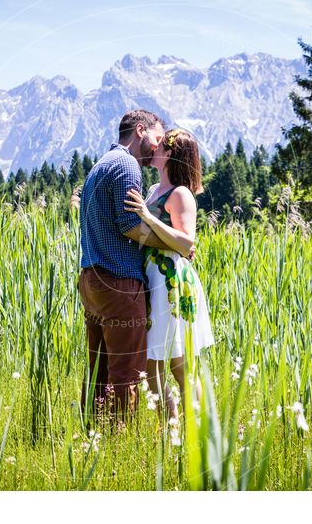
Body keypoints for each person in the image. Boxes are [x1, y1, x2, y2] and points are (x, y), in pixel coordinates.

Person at [78, 109, 170, 422]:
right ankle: (119, 447)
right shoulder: (127, 165)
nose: (158, 147)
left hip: (92, 279)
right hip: (118, 281)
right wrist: (173, 244)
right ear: (140, 130)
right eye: (157, 139)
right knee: (126, 373)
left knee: (98, 370)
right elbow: (131, 225)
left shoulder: (101, 164)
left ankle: (92, 435)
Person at [124, 129, 214, 419]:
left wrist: (148, 216)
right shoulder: (153, 191)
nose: (154, 146)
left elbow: (187, 242)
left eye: (161, 144)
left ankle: (198, 427)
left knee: (177, 361)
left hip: (171, 282)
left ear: (171, 155)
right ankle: (170, 423)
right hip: (152, 280)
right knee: (151, 361)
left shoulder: (181, 194)